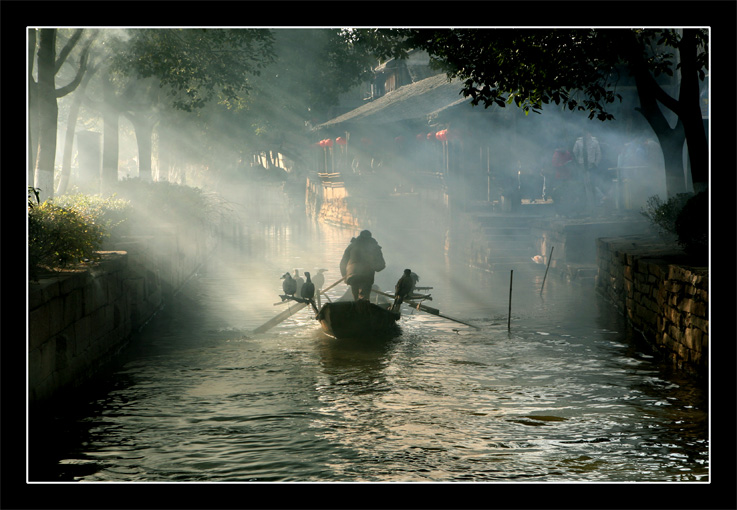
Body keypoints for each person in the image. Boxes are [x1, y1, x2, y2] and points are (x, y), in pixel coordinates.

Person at [339, 230, 386, 301]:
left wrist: (344, 276)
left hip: (352, 275)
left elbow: (343, 263)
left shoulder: (352, 246)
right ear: (370, 237)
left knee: (356, 297)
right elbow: (381, 265)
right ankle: (364, 306)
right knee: (365, 298)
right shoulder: (375, 247)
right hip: (367, 275)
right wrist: (375, 268)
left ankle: (356, 305)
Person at [573, 130, 602, 209]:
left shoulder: (595, 142)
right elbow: (574, 153)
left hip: (591, 166)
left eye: (588, 133)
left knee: (591, 185)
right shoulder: (578, 142)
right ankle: (584, 204)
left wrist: (596, 164)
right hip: (582, 166)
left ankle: (594, 204)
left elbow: (598, 154)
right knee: (582, 186)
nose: (587, 135)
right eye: (585, 134)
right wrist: (578, 164)